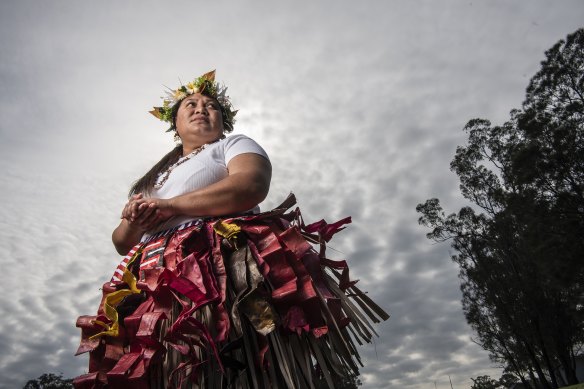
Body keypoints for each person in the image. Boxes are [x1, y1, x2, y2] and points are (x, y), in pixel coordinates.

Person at [74, 70, 388, 389]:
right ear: (176, 124)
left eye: (211, 105)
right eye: (191, 105)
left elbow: (250, 185)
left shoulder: (232, 145)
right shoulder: (155, 178)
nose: (201, 108)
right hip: (154, 281)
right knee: (167, 366)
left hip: (219, 264)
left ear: (223, 121)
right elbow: (121, 242)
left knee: (231, 360)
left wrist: (172, 206)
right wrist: (133, 219)